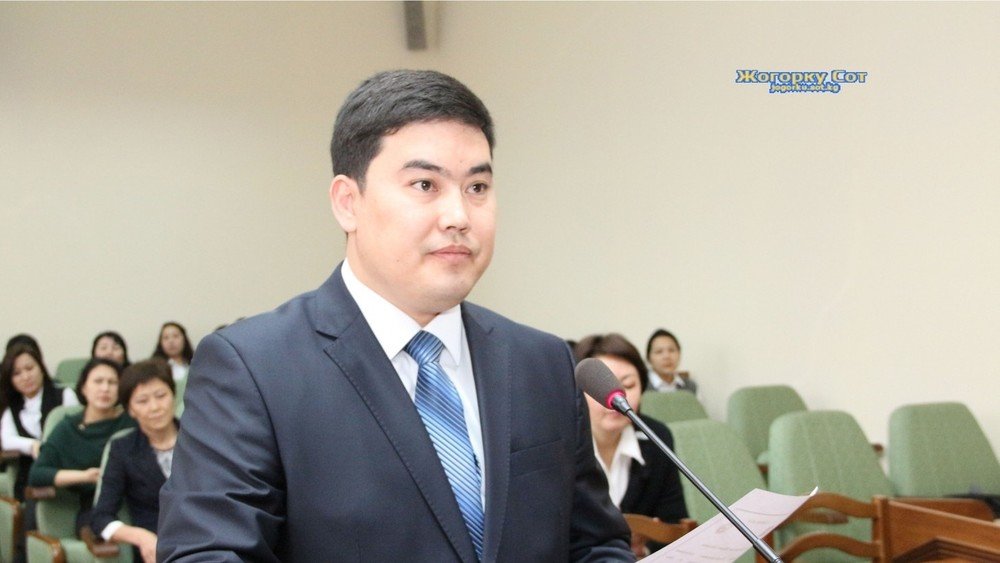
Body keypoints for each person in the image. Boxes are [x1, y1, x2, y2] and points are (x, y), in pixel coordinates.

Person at [157, 70, 633, 562]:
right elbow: (207, 553)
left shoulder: (543, 363)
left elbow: (594, 544)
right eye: (425, 184)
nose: (459, 216)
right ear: (348, 203)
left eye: (477, 187)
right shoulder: (253, 369)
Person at [575, 334, 688, 556]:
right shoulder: (559, 446)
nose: (616, 397)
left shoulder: (656, 437)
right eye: (600, 389)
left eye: (628, 385)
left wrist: (645, 547)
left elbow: (674, 522)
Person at [27, 358, 134, 533]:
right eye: (98, 381)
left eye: (112, 382)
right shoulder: (68, 428)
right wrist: (85, 476)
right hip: (96, 505)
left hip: (137, 501)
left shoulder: (132, 420)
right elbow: (37, 474)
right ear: (84, 388)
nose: (105, 388)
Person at [90, 359, 178, 563]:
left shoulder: (200, 439)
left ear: (173, 395)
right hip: (158, 550)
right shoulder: (123, 449)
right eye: (142, 401)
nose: (155, 407)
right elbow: (101, 518)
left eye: (161, 396)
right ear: (130, 409)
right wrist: (141, 537)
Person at [0, 343, 79, 500]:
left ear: (41, 368)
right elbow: (7, 440)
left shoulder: (64, 395)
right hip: (30, 480)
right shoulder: (11, 407)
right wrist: (33, 445)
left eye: (30, 368)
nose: (25, 377)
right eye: (17, 373)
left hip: (67, 472)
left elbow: (77, 433)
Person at [645, 329, 697, 394]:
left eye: (671, 350)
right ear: (648, 358)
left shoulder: (690, 386)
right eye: (659, 352)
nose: (667, 356)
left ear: (679, 354)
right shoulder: (641, 386)